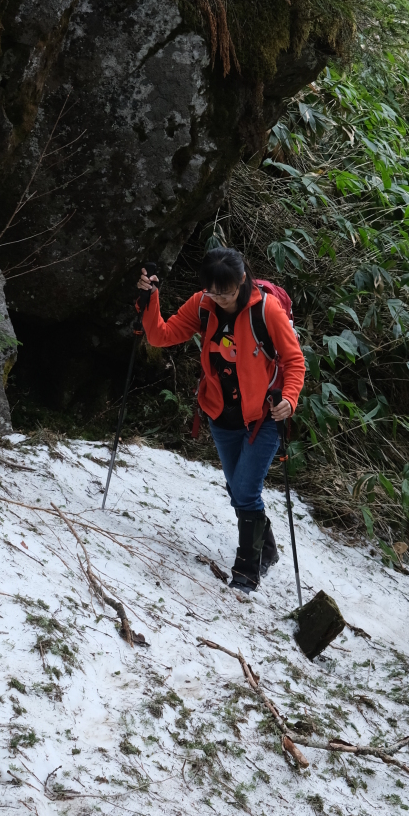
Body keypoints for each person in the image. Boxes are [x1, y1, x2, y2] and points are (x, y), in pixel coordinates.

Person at [137, 249, 305, 591]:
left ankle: (247, 571)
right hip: (221, 414)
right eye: (213, 292)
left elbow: (294, 360)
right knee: (237, 488)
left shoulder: (266, 310)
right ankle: (267, 549)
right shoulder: (203, 304)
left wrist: (289, 399)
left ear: (242, 280)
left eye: (225, 293)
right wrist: (150, 298)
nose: (220, 300)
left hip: (263, 416)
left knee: (245, 491)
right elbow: (160, 335)